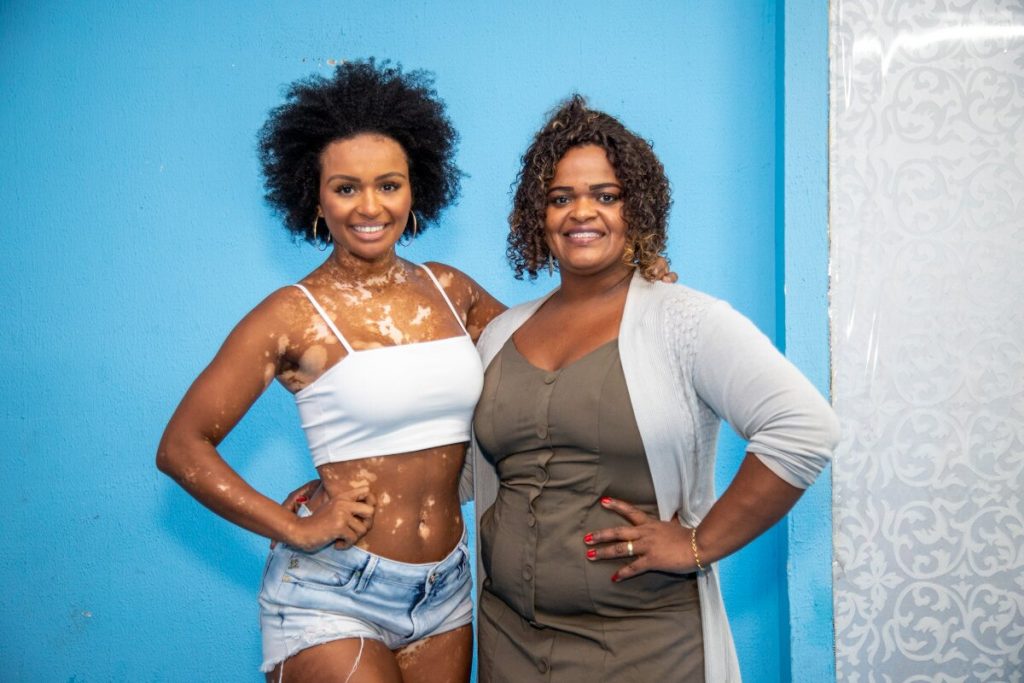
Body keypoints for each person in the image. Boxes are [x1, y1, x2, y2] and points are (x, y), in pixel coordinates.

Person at [468, 95, 841, 682]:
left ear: (636, 207)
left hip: (646, 647)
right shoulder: (501, 334)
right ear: (536, 215)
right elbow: (464, 470)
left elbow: (804, 428)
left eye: (606, 196)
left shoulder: (683, 321)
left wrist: (697, 544)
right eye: (561, 197)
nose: (581, 212)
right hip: (510, 644)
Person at [156, 60, 506, 682]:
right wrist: (292, 527)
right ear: (315, 197)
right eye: (346, 188)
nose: (370, 206)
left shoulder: (451, 291)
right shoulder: (293, 315)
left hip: (446, 587)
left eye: (389, 185)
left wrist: (633, 287)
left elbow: (548, 360)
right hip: (334, 590)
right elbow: (182, 447)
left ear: (415, 189)